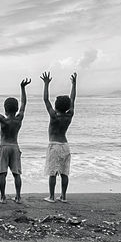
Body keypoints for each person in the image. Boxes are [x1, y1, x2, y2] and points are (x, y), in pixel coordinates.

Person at [0, 78, 31, 204]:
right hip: (15, 147)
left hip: (4, 146)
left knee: (2, 173)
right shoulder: (19, 118)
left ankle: (3, 197)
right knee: (17, 174)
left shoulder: (3, 120)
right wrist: (22, 88)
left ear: (5, 109)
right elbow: (24, 104)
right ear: (16, 109)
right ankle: (18, 197)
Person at [41, 72, 77, 203]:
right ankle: (63, 196)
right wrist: (74, 84)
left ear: (56, 106)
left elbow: (45, 100)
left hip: (54, 145)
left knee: (53, 172)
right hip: (65, 146)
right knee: (64, 172)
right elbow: (73, 99)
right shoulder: (69, 115)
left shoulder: (54, 116)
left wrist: (46, 84)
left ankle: (51, 196)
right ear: (67, 107)